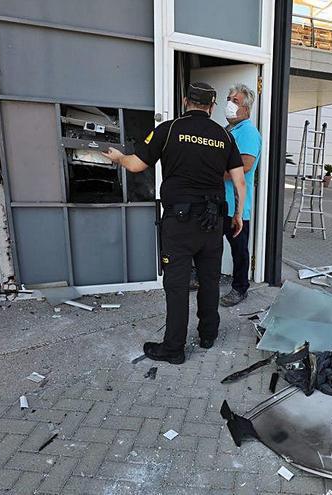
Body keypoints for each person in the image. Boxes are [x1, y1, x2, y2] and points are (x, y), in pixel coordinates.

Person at [103, 82, 247, 365]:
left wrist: (119, 158)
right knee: (209, 280)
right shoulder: (224, 136)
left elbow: (135, 165)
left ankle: (174, 348)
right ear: (212, 106)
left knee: (178, 285)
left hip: (179, 223)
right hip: (212, 221)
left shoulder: (167, 130)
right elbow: (240, 181)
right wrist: (238, 215)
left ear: (185, 101)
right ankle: (208, 335)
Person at [220, 84, 262, 307]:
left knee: (239, 250)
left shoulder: (248, 132)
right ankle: (204, 279)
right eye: (228, 99)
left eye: (235, 101)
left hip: (236, 206)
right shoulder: (228, 130)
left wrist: (212, 175)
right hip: (220, 203)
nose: (229, 103)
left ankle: (240, 288)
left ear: (246, 108)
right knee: (210, 245)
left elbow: (245, 166)